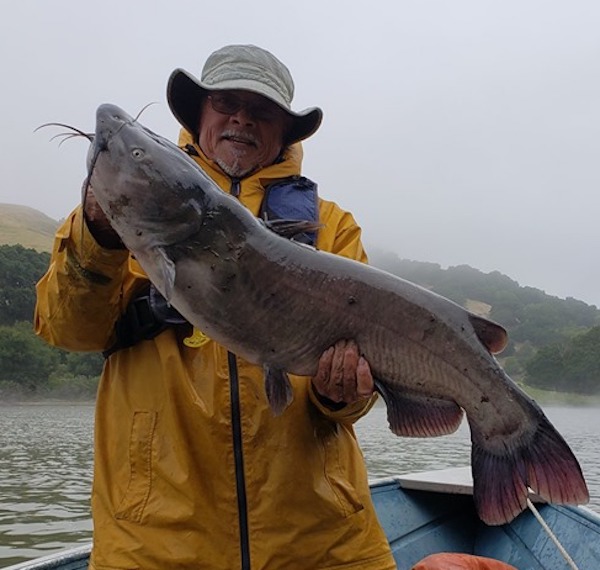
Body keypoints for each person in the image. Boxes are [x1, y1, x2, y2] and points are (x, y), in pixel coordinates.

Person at [35, 45, 397, 570]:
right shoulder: (120, 213)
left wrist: (339, 395)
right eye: (227, 102)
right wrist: (95, 236)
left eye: (262, 110)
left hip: (323, 544)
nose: (242, 119)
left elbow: (359, 394)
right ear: (200, 112)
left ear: (285, 131)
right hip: (155, 545)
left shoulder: (333, 226)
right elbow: (67, 330)